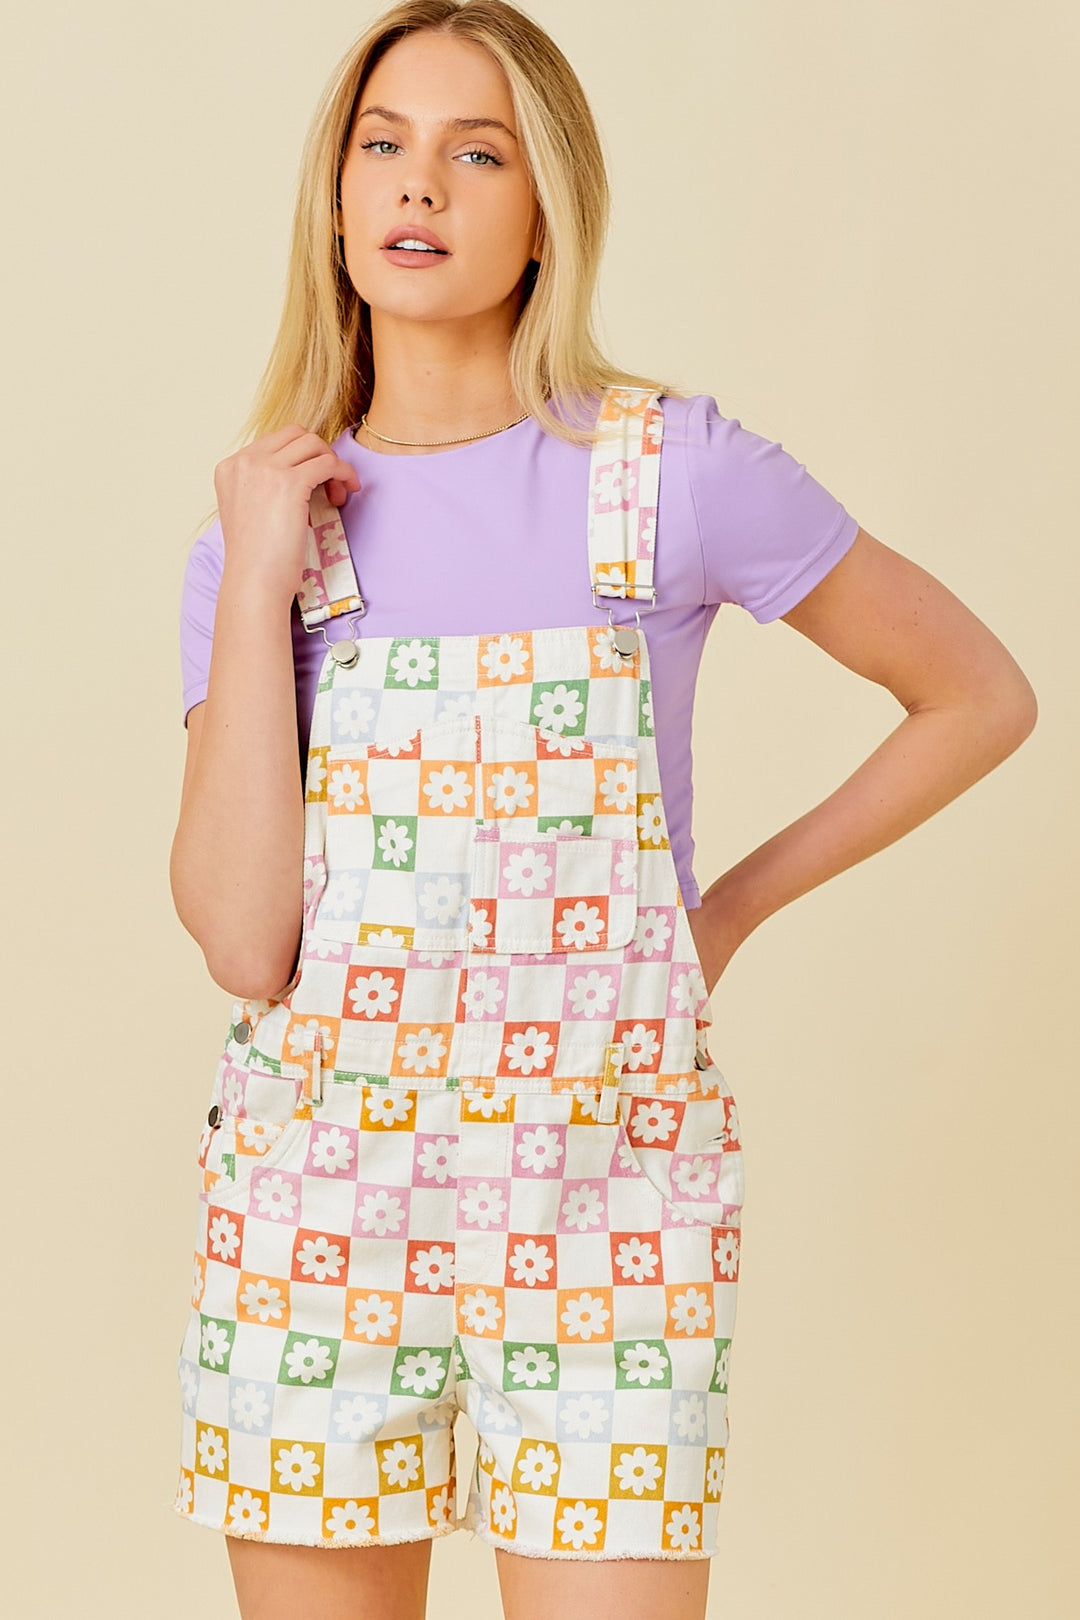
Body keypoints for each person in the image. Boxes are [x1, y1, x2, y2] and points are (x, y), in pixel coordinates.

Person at [168, 3, 1037, 1616]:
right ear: (335, 198)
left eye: (477, 152)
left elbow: (978, 695)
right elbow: (240, 941)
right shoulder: (261, 532)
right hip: (320, 1210)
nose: (418, 184)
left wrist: (727, 913)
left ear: (547, 211)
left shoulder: (671, 473)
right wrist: (256, 582)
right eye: (384, 144)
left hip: (605, 1204)